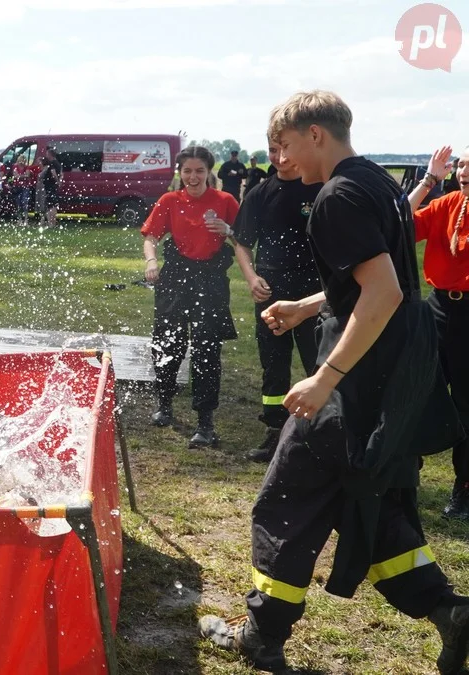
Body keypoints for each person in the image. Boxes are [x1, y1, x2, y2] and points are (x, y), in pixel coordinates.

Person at [199, 90, 468, 675]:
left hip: (354, 388)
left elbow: (386, 292)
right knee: (362, 498)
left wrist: (324, 378)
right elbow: (374, 278)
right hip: (393, 376)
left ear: (316, 134)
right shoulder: (378, 184)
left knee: (283, 502)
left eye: (287, 145)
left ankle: (261, 637)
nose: (282, 160)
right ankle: (450, 612)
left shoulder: (335, 199)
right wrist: (307, 305)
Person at [142, 145, 240, 448]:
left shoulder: (225, 201)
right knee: (168, 342)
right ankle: (165, 404)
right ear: (179, 172)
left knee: (206, 351)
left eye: (199, 171)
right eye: (187, 171)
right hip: (175, 281)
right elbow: (151, 237)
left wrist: (227, 228)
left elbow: (243, 240)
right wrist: (152, 261)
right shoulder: (169, 201)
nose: (193, 177)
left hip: (210, 282)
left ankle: (205, 421)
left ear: (208, 171)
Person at [232, 137, 323, 463]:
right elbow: (241, 243)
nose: (280, 157)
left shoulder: (320, 189)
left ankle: (320, 433)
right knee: (274, 364)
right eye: (273, 150)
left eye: (285, 148)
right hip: (272, 294)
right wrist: (252, 277)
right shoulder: (259, 195)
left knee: (319, 360)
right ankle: (275, 432)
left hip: (315, 294)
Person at [406, 144, 469, 520]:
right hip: (439, 308)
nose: (464, 173)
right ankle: (405, 476)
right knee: (416, 392)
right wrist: (429, 181)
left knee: (465, 405)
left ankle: (463, 488)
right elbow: (400, 222)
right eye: (462, 166)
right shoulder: (446, 204)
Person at [40, 147, 62, 226]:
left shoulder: (52, 163)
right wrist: (59, 182)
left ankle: (51, 223)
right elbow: (61, 174)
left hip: (50, 186)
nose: (46, 156)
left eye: (47, 154)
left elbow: (53, 173)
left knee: (50, 205)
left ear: (50, 155)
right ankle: (52, 222)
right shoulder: (58, 163)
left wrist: (57, 181)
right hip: (53, 186)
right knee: (54, 205)